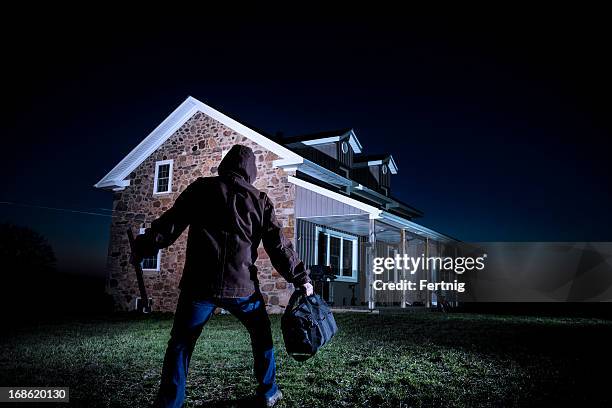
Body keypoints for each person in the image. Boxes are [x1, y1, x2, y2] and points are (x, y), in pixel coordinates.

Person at [132, 144, 313, 408]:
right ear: (251, 171)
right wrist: (301, 278)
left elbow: (170, 225)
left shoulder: (200, 188)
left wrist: (144, 245)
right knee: (261, 337)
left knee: (181, 344)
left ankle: (170, 403)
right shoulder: (259, 200)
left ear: (225, 165)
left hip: (199, 285)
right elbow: (278, 247)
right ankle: (268, 391)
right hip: (242, 288)